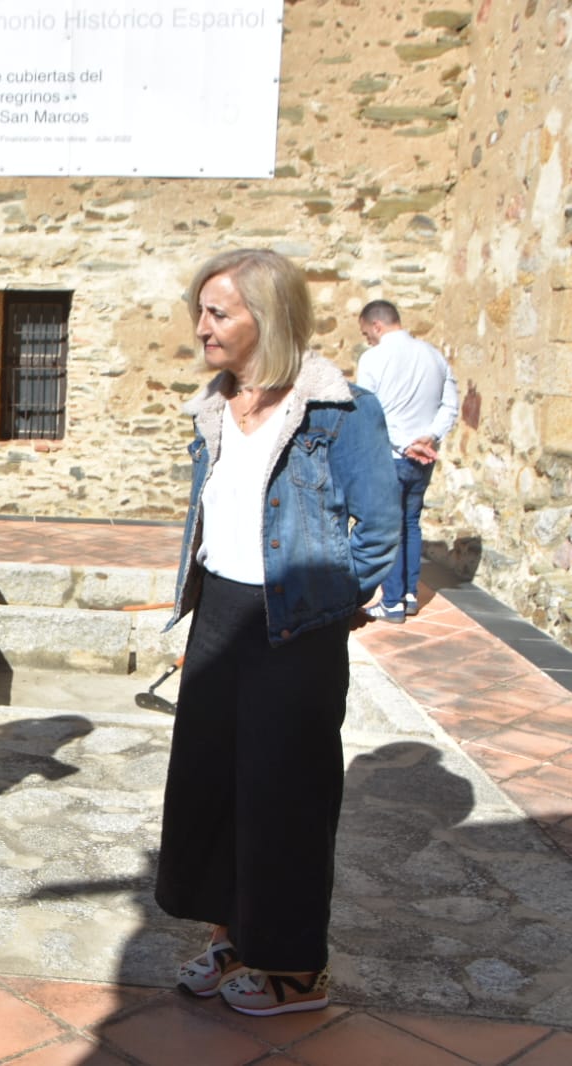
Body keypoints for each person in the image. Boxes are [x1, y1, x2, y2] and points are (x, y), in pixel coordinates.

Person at [156, 249, 400, 1016]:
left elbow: (380, 526)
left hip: (295, 625)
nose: (201, 327)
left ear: (268, 316)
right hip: (221, 612)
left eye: (217, 312)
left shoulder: (341, 410)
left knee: (284, 795)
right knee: (213, 785)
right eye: (200, 310)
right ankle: (236, 937)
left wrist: (331, 596)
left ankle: (295, 970)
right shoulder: (215, 402)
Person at [356, 300, 460, 623]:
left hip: (392, 456)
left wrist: (405, 445)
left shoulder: (373, 358)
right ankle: (410, 594)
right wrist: (430, 437)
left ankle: (392, 602)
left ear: (377, 326)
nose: (368, 340)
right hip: (423, 459)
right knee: (412, 522)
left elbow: (367, 411)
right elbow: (450, 406)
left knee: (391, 528)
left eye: (366, 334)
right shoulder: (435, 355)